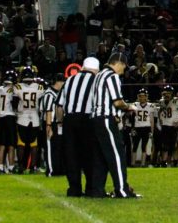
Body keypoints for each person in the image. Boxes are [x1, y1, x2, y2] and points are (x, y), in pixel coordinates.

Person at [90, 49, 139, 198]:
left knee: (100, 157)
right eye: (124, 65)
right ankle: (122, 190)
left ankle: (96, 190)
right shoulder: (112, 76)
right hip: (105, 119)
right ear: (118, 63)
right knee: (117, 155)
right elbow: (117, 102)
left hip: (95, 120)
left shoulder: (99, 75)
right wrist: (130, 107)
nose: (124, 69)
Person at [59, 56, 100, 198]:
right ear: (96, 70)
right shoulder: (96, 80)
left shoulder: (70, 79)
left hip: (69, 120)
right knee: (89, 155)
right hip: (87, 120)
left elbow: (59, 105)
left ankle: (74, 189)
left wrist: (60, 123)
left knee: (71, 155)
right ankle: (90, 188)